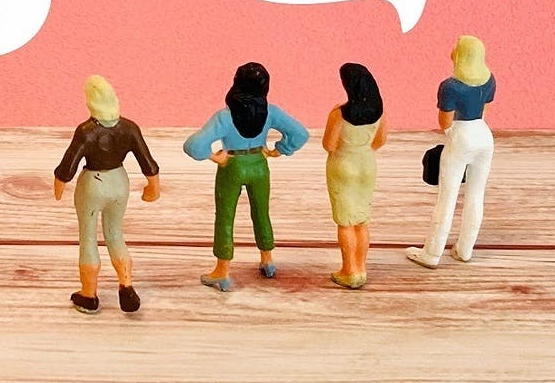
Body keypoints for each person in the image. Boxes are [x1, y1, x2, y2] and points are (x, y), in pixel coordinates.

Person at [183, 62, 308, 291]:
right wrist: (280, 149)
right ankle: (267, 259)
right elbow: (300, 133)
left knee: (225, 217)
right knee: (261, 212)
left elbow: (193, 145)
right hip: (259, 165)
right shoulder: (271, 112)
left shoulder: (225, 116)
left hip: (232, 165)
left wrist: (214, 157)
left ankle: (222, 270)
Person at [54, 75, 160, 314]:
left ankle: (89, 295)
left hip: (93, 184)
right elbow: (147, 161)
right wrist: (153, 186)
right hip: (119, 182)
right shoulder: (129, 128)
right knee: (115, 234)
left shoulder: (86, 131)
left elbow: (68, 166)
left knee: (88, 237)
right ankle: (126, 285)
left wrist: (59, 185)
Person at [406, 35, 496, 269]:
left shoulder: (450, 86)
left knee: (447, 198)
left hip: (461, 135)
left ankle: (432, 253)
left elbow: (445, 120)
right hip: (484, 135)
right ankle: (465, 249)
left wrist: (452, 133)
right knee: (476, 195)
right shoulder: (489, 79)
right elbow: (485, 109)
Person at [323, 63, 387, 289]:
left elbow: (329, 144)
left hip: (343, 165)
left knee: (345, 221)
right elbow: (380, 141)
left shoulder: (339, 114)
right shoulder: (379, 111)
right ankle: (361, 268)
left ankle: (349, 270)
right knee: (361, 220)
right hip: (366, 164)